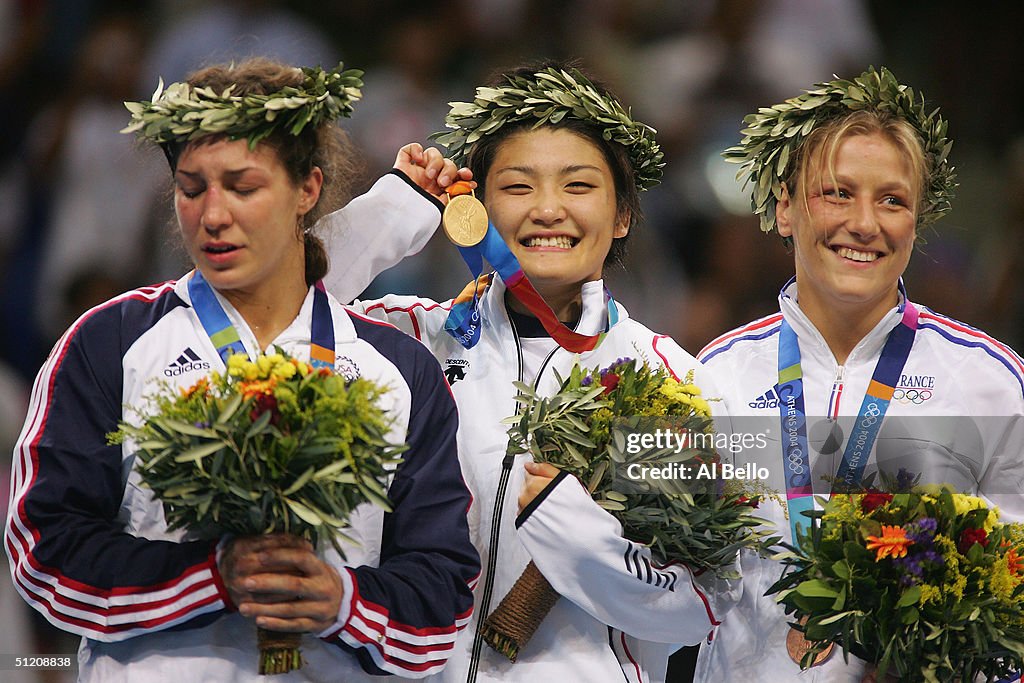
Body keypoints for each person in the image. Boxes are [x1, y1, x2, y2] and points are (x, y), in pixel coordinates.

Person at [4, 58, 480, 682]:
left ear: (307, 189)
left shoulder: (400, 369)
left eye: (243, 187)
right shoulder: (109, 342)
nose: (213, 215)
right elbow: (45, 552)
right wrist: (210, 577)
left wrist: (344, 602)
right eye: (191, 187)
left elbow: (441, 606)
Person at [319, 62, 740, 683]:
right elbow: (271, 311)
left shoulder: (672, 381)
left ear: (622, 216)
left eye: (577, 187)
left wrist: (573, 531)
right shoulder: (411, 341)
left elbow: (699, 607)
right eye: (517, 188)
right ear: (478, 208)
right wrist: (393, 211)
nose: (547, 209)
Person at [695, 67, 1024, 682]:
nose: (865, 223)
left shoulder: (989, 380)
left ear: (916, 222)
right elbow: (669, 593)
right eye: (838, 193)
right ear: (786, 208)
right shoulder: (714, 377)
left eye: (892, 200)